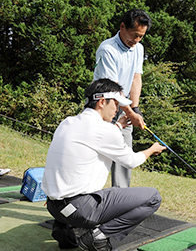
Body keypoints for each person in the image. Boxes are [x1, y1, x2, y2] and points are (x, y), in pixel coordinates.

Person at [42, 79, 166, 251]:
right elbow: (132, 161)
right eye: (115, 104)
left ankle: (62, 229)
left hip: (54, 207)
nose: (117, 110)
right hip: (80, 210)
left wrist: (118, 125)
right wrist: (152, 150)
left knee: (109, 192)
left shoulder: (67, 122)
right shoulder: (104, 130)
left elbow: (95, 136)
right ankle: (97, 237)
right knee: (153, 197)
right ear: (102, 102)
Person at [93, 9, 151, 188]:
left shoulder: (138, 49)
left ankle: (120, 198)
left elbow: (136, 78)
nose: (136, 41)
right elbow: (113, 88)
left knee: (124, 154)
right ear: (122, 27)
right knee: (94, 152)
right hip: (102, 107)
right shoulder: (107, 49)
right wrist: (130, 113)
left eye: (141, 37)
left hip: (123, 105)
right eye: (134, 35)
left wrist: (136, 108)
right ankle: (84, 196)